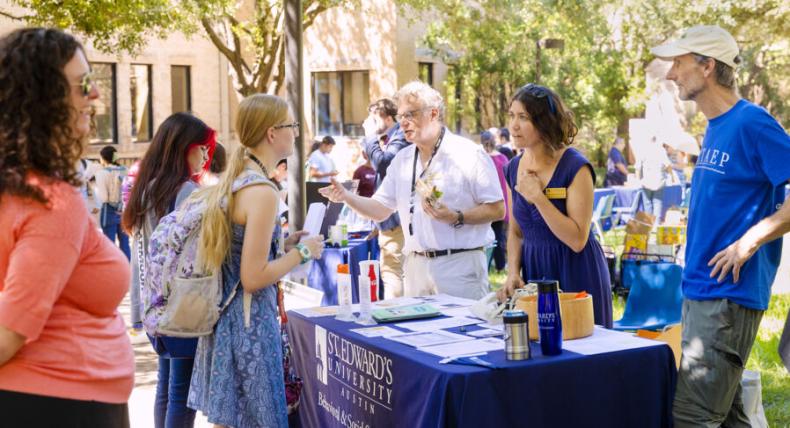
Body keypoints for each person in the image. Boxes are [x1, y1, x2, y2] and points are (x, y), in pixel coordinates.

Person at [651, 25, 790, 426]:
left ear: (707, 66)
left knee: (692, 419)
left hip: (727, 297)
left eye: (678, 62)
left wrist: (748, 242)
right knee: (728, 419)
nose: (671, 73)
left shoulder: (752, 123)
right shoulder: (716, 126)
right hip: (702, 291)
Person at [0, 27, 134, 426]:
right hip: (61, 403)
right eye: (83, 85)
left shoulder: (20, 187)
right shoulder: (51, 201)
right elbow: (9, 334)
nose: (95, 96)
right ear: (43, 101)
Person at [188, 94, 324, 427]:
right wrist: (303, 253)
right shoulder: (262, 191)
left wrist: (285, 243)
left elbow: (240, 253)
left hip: (228, 321)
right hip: (249, 326)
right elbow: (253, 275)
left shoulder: (237, 182)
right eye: (292, 125)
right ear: (271, 133)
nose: (296, 132)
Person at [321, 81, 504, 300]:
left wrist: (457, 217)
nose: (403, 123)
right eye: (400, 117)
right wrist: (346, 197)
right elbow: (380, 209)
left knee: (460, 333)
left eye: (410, 115)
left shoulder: (468, 154)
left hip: (459, 267)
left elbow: (497, 209)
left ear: (433, 114)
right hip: (415, 268)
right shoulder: (403, 160)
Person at [122, 112, 216, 428]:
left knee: (166, 388)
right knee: (181, 395)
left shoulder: (146, 188)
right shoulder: (186, 191)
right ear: (183, 148)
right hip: (182, 305)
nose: (206, 155)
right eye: (201, 147)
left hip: (153, 305)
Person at [496, 83, 613, 329]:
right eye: (512, 116)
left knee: (583, 354)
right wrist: (513, 272)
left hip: (575, 269)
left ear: (544, 122)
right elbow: (516, 232)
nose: (514, 125)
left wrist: (539, 198)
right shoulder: (513, 168)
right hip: (536, 270)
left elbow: (577, 239)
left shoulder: (575, 167)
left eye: (523, 117)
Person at [362, 97, 412, 298]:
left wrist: (370, 135)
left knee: (393, 273)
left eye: (373, 119)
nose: (368, 123)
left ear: (388, 118)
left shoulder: (401, 135)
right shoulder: (392, 138)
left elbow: (383, 164)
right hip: (388, 220)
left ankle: (395, 318)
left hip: (398, 222)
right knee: (393, 272)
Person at [95, 145, 131, 259]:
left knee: (109, 245)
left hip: (108, 211)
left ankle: (113, 272)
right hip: (124, 210)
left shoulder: (101, 173)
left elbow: (104, 198)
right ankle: (127, 272)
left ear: (103, 158)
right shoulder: (126, 170)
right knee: (125, 244)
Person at [481, 130, 509, 272]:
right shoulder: (503, 158)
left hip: (487, 203)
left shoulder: (483, 159)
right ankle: (500, 265)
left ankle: (489, 263)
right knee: (499, 235)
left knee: (488, 236)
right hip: (502, 202)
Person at [635, 137, 673, 221]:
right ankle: (656, 225)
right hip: (658, 181)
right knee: (657, 203)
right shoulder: (661, 150)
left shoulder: (643, 150)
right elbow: (668, 165)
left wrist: (638, 180)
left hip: (646, 181)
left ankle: (649, 225)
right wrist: (672, 176)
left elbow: (638, 167)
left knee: (647, 204)